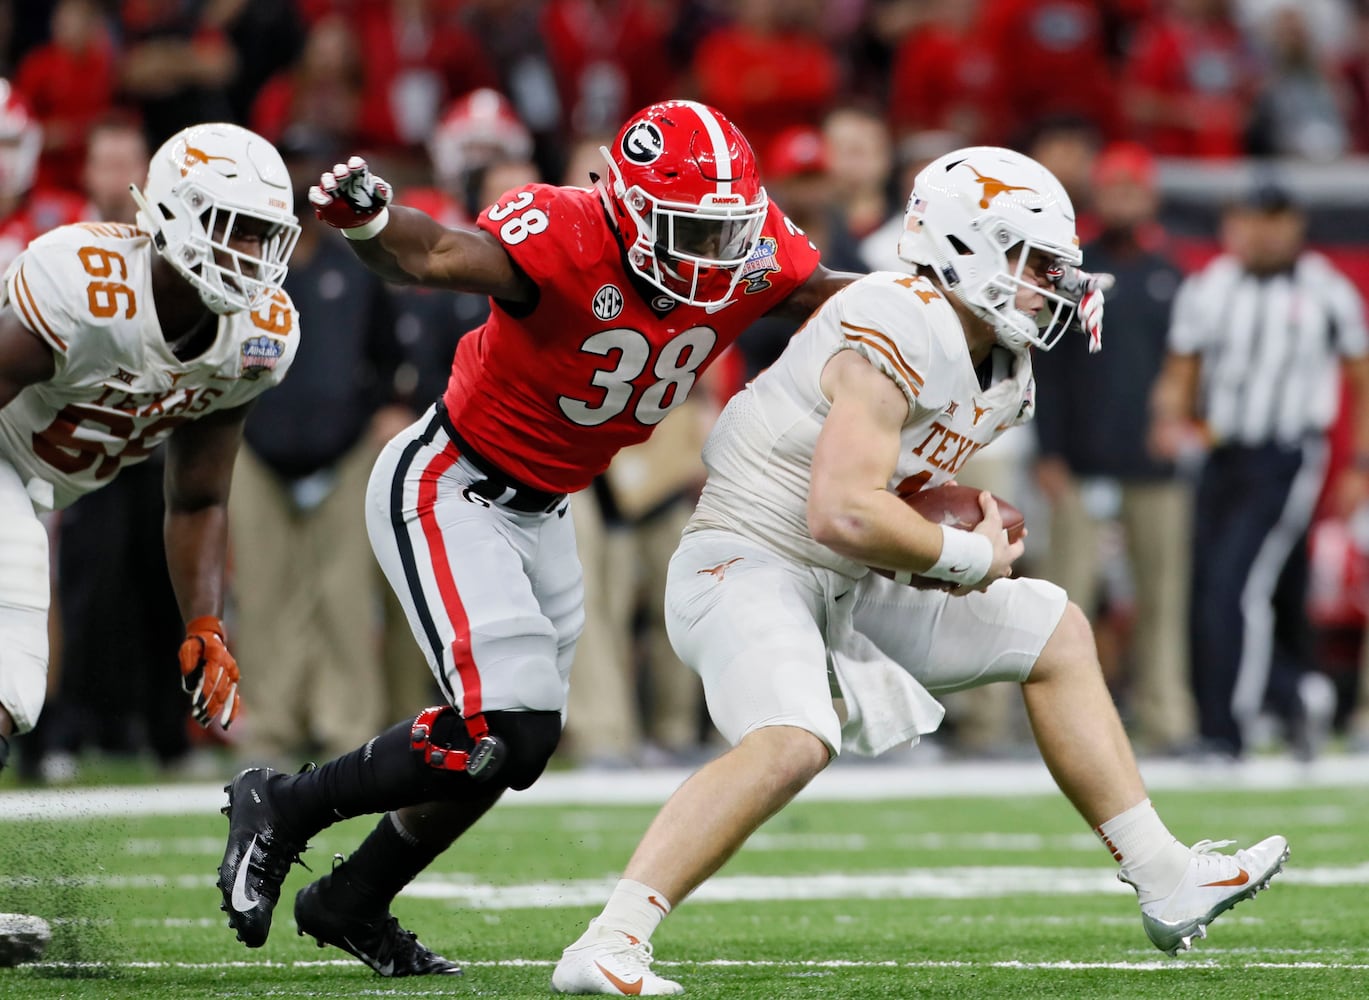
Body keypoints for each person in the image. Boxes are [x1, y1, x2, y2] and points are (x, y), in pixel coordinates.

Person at [550, 146, 1289, 996]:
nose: (1047, 283)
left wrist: (945, 525)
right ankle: (610, 940)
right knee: (792, 738)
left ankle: (1165, 877)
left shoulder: (1005, 369)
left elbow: (889, 498)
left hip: (845, 581)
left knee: (1052, 627)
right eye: (1032, 261)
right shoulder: (898, 314)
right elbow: (842, 509)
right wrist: (968, 553)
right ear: (963, 245)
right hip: (749, 556)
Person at [212, 99, 854, 978]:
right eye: (688, 232)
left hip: (547, 507)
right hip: (450, 482)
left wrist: (954, 309)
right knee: (499, 723)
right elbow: (434, 253)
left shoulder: (746, 250)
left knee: (519, 750)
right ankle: (283, 803)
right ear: (626, 207)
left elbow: (833, 297)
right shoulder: (562, 230)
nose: (714, 259)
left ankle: (352, 898)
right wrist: (372, 220)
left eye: (724, 232)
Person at [0, 123, 301, 781]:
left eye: (262, 233)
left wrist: (204, 621)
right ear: (173, 212)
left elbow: (196, 494)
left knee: (7, 696)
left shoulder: (258, 335)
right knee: (13, 668)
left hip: (36, 484)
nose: (248, 251)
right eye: (231, 224)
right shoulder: (86, 285)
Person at [1150, 179, 1369, 760]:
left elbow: (1361, 376)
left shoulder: (1327, 289)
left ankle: (1228, 728)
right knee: (1224, 587)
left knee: (1236, 585)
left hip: (1287, 454)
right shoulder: (1212, 285)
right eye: (1255, 218)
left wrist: (1361, 462)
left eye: (1277, 219)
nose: (1265, 232)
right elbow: (1183, 365)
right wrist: (1172, 416)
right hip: (1221, 451)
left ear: (1296, 224)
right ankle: (1296, 693)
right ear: (1236, 222)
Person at [1031, 142, 1195, 754]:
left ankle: (1166, 716)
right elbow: (1049, 367)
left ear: (1149, 196)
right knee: (1067, 600)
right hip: (1079, 463)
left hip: (1154, 466)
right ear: (1098, 196)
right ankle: (1059, 725)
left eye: (1134, 188)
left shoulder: (1171, 275)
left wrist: (1185, 426)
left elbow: (1193, 368)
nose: (1124, 199)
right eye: (1114, 187)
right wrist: (1047, 451)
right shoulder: (1076, 273)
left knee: (1162, 597)